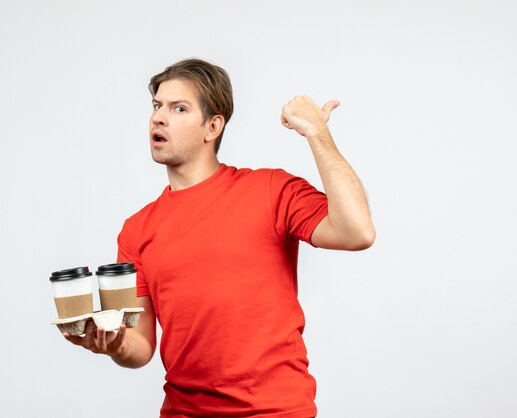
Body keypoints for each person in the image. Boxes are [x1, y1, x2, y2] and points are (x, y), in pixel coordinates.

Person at [63, 58, 375, 417]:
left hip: (277, 411)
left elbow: (357, 232)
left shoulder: (271, 190)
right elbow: (141, 344)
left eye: (179, 108)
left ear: (213, 126)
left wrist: (317, 133)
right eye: (156, 106)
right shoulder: (136, 229)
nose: (158, 118)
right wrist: (114, 344)